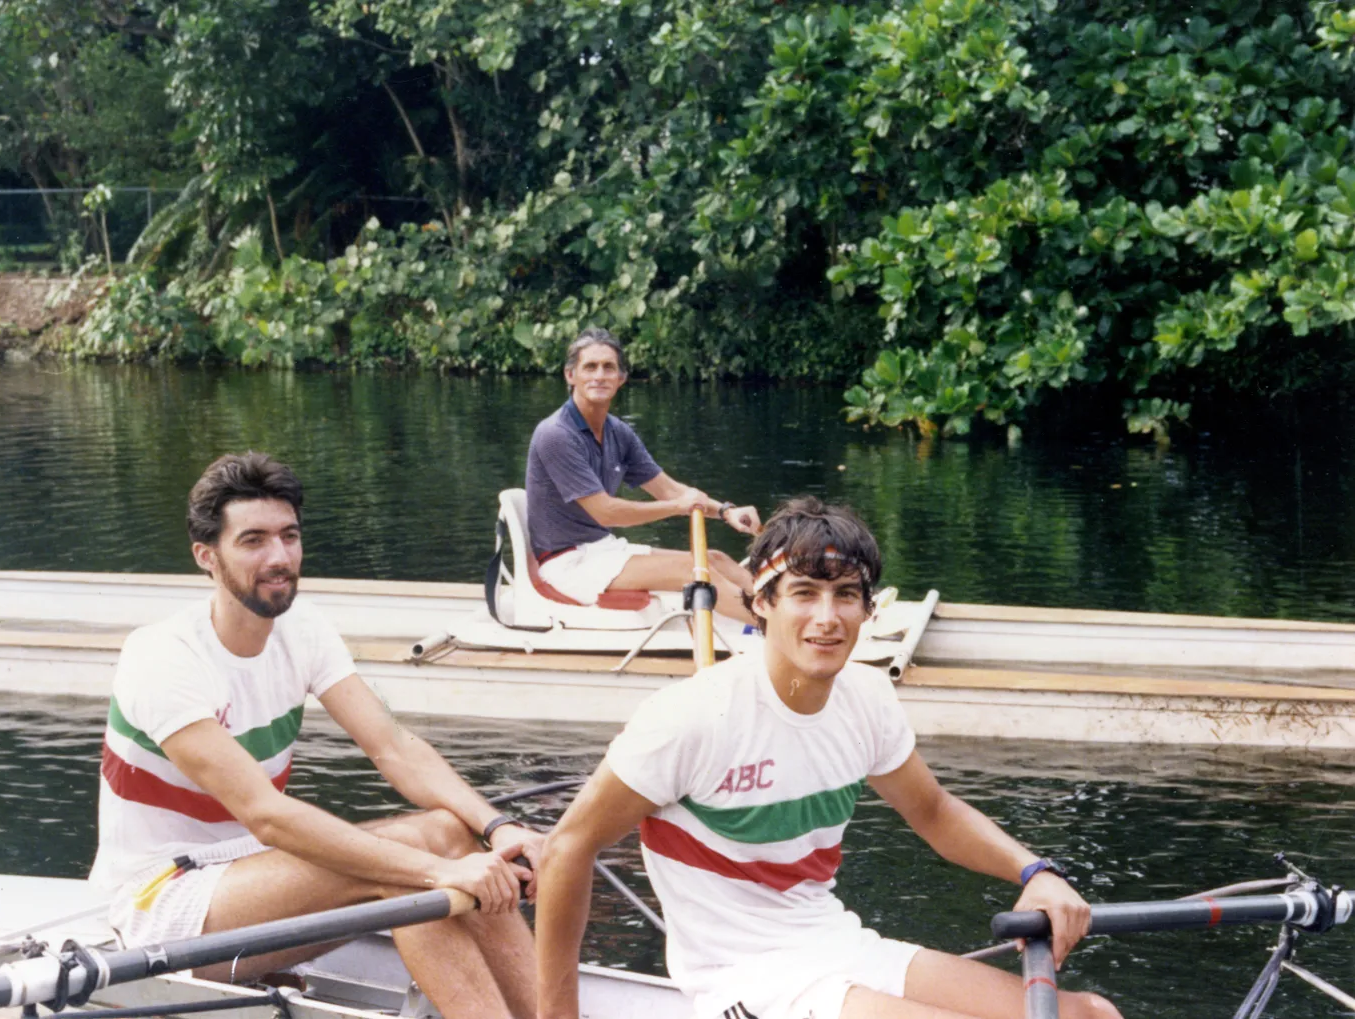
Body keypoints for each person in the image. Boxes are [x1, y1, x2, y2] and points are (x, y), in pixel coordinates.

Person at [533, 497, 1123, 1019]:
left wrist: (1036, 872)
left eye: (845, 595)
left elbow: (936, 813)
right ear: (760, 604)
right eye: (804, 594)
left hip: (833, 942)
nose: (827, 617)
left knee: (1090, 1015)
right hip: (744, 980)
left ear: (868, 610)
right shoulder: (689, 717)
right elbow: (568, 847)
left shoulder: (867, 698)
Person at [87, 452, 540, 1019]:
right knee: (409, 879)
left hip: (252, 872)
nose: (279, 558)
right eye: (253, 540)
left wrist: (497, 828)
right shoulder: (163, 656)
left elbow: (394, 747)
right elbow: (266, 815)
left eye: (289, 536)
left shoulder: (303, 628)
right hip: (163, 902)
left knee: (450, 830)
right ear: (206, 556)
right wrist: (441, 874)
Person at [525, 326, 761, 624]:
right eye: (590, 367)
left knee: (716, 560)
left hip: (601, 550)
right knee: (693, 569)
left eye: (608, 367)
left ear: (621, 378)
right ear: (570, 375)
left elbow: (669, 490)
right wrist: (677, 508)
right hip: (567, 565)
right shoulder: (555, 435)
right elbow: (606, 513)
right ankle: (783, 637)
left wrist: (726, 511)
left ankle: (782, 617)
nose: (599, 375)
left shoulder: (618, 431)